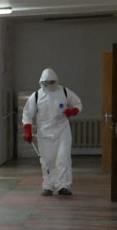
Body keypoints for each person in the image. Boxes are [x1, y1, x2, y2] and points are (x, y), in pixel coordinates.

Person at [22, 67, 82, 196]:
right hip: (44, 133)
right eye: (46, 83)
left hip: (63, 131)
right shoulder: (36, 96)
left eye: (51, 83)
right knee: (47, 160)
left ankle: (63, 186)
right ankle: (48, 185)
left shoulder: (64, 92)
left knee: (63, 159)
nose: (48, 85)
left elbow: (78, 104)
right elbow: (27, 114)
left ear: (56, 81)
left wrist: (73, 111)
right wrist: (27, 130)